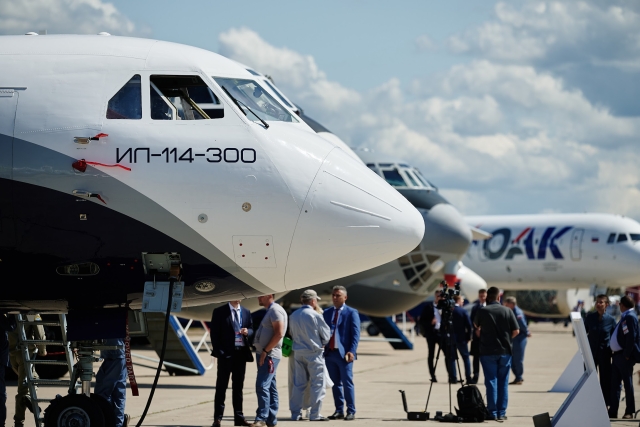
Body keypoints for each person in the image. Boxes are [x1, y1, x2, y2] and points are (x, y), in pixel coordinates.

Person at [474, 287, 519, 421]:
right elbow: (516, 331)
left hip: (487, 352)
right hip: (505, 352)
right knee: (503, 382)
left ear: (488, 298)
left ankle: (492, 412)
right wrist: (506, 339)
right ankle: (501, 412)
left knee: (491, 381)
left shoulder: (482, 311)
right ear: (499, 298)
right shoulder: (507, 310)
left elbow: (476, 325)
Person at [288, 290, 331, 421]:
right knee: (318, 384)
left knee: (298, 384)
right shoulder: (315, 315)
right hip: (313, 353)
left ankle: (295, 413)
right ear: (313, 301)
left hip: (298, 353)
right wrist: (322, 343)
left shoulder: (294, 315)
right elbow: (326, 334)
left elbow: (291, 333)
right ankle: (315, 414)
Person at [210, 300, 254, 427]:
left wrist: (247, 332)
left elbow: (251, 328)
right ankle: (217, 418)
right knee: (221, 387)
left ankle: (239, 417)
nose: (238, 298)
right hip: (226, 355)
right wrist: (220, 352)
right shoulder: (219, 311)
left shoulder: (246, 311)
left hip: (240, 353)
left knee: (238, 387)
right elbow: (214, 333)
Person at [323, 286, 360, 421]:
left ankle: (351, 410)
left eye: (338, 295)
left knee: (347, 382)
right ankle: (339, 410)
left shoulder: (351, 313)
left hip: (344, 354)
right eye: (333, 295)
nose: (334, 298)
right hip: (330, 353)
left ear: (345, 297)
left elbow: (355, 335)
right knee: (335, 384)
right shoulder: (327, 313)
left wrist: (352, 351)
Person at [251, 294, 287, 427]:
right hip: (267, 354)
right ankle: (271, 420)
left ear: (270, 295)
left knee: (262, 385)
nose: (258, 298)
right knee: (270, 386)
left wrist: (265, 351)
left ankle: (261, 418)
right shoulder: (271, 310)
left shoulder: (275, 310)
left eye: (261, 296)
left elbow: (279, 333)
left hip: (269, 355)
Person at [8, 314, 46, 427]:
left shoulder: (10, 311)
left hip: (12, 354)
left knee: (34, 378)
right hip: (26, 353)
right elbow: (39, 330)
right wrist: (43, 349)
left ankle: (27, 399)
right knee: (23, 389)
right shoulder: (31, 313)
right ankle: (18, 421)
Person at [608, 296, 640, 419]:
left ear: (623, 305)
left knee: (628, 384)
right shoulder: (625, 317)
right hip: (617, 356)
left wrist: (627, 355)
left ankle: (629, 411)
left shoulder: (630, 317)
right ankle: (613, 410)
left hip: (624, 357)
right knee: (615, 384)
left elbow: (631, 337)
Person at [584, 294, 615, 407]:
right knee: (589, 379)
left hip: (605, 354)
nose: (598, 304)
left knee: (605, 380)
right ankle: (588, 402)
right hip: (590, 353)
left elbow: (615, 337)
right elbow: (583, 332)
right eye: (597, 302)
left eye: (601, 302)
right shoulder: (590, 318)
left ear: (606, 305)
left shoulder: (611, 320)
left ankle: (604, 404)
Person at [95, 337, 129, 427]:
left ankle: (107, 422)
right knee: (118, 394)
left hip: (113, 353)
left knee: (102, 393)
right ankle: (118, 424)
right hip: (121, 354)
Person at [503, 297, 530, 385]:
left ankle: (519, 377)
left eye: (507, 304)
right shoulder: (510, 311)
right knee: (512, 359)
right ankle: (517, 377)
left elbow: (522, 325)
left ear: (511, 304)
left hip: (519, 338)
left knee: (518, 359)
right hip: (513, 338)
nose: (505, 306)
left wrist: (526, 332)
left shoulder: (517, 313)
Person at [448, 295, 472, 384]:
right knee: (466, 358)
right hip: (461, 338)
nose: (463, 302)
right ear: (458, 300)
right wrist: (468, 337)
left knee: (452, 359)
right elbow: (469, 325)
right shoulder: (462, 311)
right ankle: (468, 377)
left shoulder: (449, 311)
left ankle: (453, 378)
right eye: (462, 300)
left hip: (451, 338)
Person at [418, 291, 442, 382]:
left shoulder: (444, 308)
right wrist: (430, 323)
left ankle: (451, 376)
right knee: (431, 355)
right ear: (435, 296)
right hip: (431, 333)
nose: (439, 297)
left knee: (448, 354)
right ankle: (433, 375)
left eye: (441, 296)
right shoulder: (428, 307)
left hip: (441, 333)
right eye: (438, 296)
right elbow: (422, 321)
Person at [469, 289, 487, 384]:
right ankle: (475, 376)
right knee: (476, 358)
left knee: (486, 358)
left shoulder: (489, 307)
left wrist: (483, 329)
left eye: (484, 296)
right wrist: (476, 329)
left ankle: (487, 376)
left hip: (486, 337)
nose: (482, 298)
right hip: (476, 337)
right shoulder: (475, 307)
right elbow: (472, 320)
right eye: (481, 296)